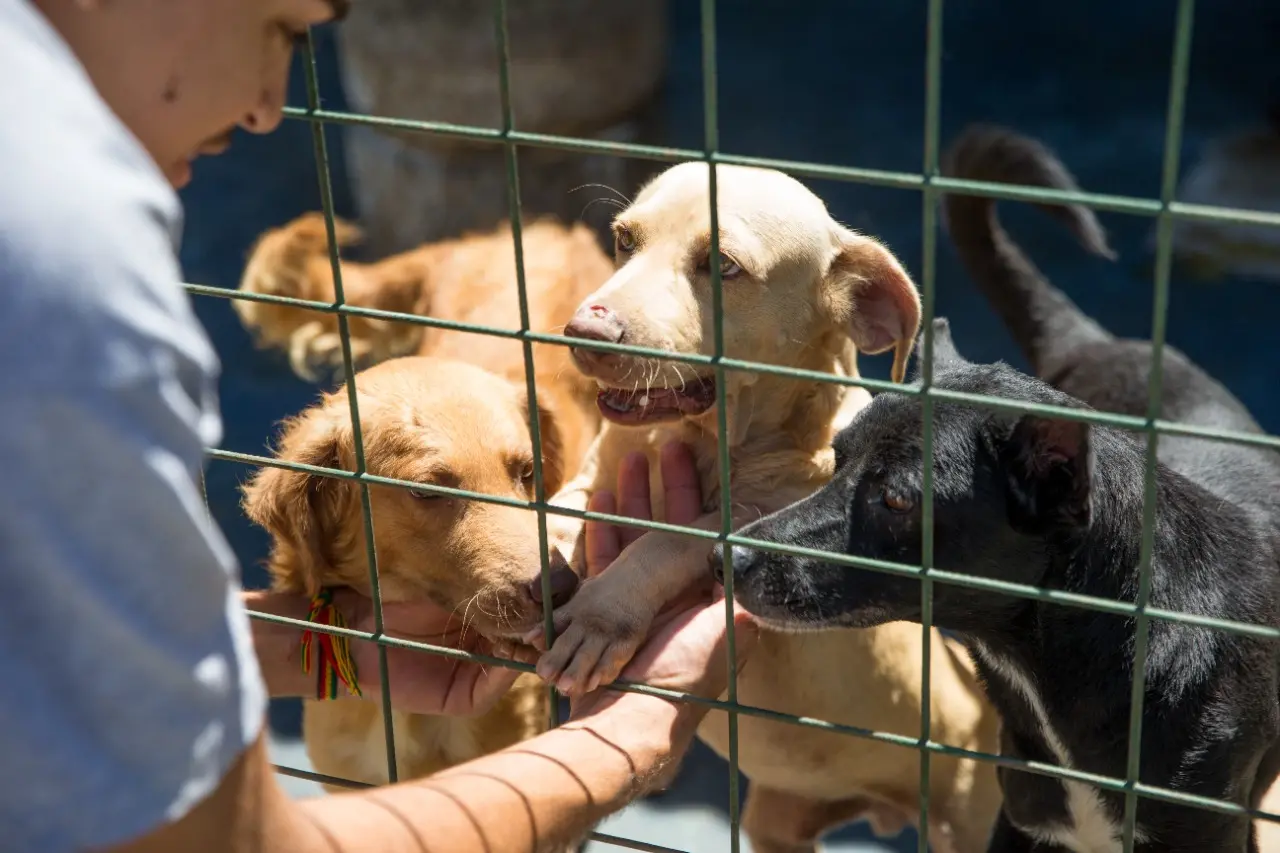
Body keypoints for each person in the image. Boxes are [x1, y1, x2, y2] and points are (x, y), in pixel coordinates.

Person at [0, 1, 758, 852]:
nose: (267, 107)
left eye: (525, 479)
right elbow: (234, 838)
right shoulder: (67, 276)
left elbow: (71, 658)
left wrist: (339, 652)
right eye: (283, 30)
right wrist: (621, 740)